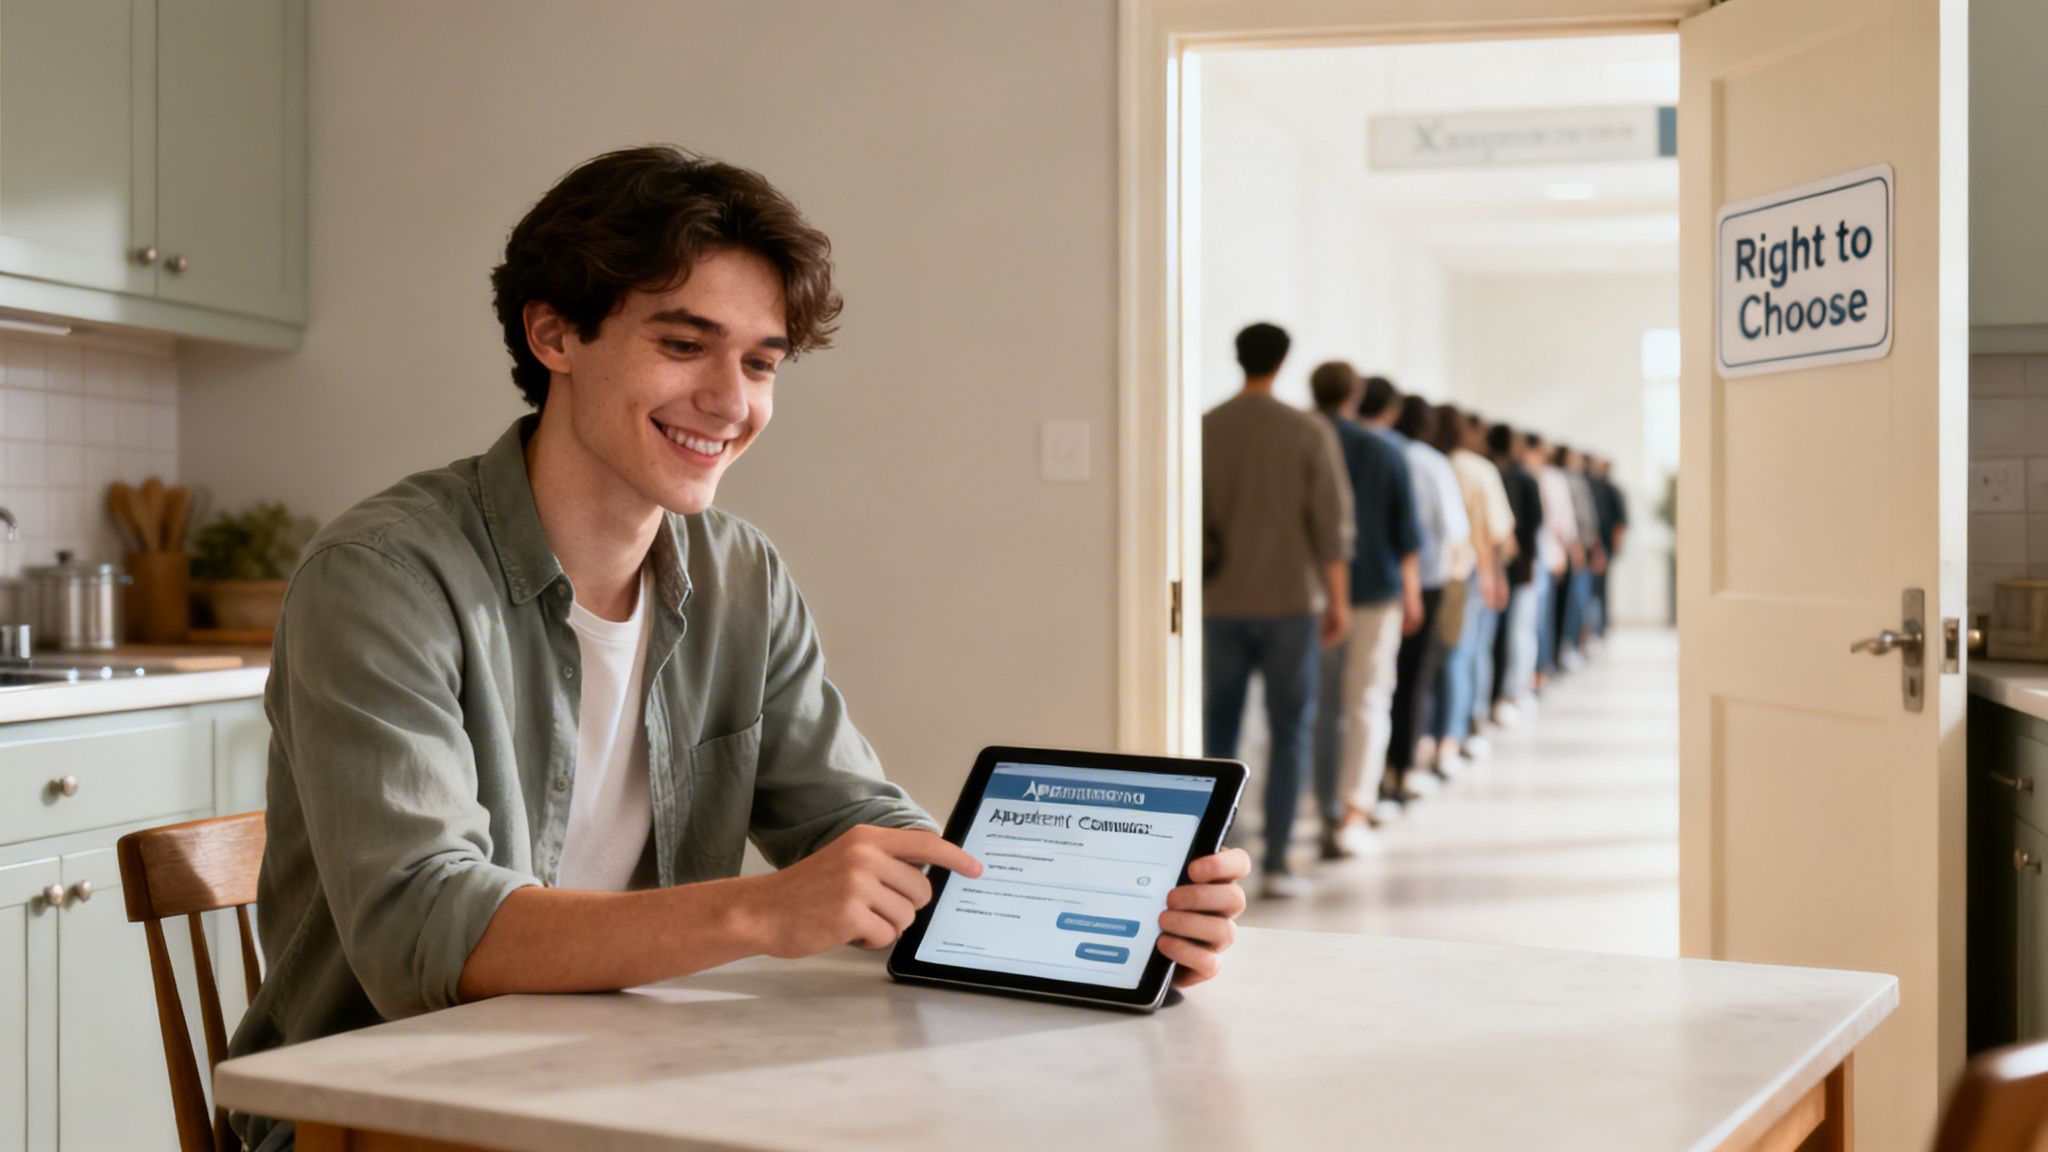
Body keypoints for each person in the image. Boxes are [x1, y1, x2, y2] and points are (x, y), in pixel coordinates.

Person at [229, 147, 1251, 1150]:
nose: (733, 402)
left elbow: (848, 821)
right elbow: (423, 929)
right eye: (684, 346)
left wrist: (1109, 924)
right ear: (554, 335)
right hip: (380, 1115)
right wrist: (762, 913)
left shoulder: (738, 575)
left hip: (622, 1086)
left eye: (760, 363)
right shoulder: (382, 575)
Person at [1203, 322, 1351, 898]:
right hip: (1292, 602)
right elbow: (1331, 528)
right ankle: (1279, 861)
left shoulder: (1208, 427)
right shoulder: (1307, 430)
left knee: (1220, 731)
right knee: (1291, 729)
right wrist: (1337, 602)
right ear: (1284, 361)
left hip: (1220, 603)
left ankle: (1214, 857)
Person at [1307, 361, 1420, 860]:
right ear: (1355, 396)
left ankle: (1318, 807)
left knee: (1316, 706)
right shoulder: (1385, 449)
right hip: (1374, 592)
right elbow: (1406, 535)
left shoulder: (1298, 440)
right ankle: (1354, 810)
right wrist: (1412, 593)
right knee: (1366, 702)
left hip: (1309, 593)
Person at [1384, 390, 1470, 796]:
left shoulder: (1380, 450)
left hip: (1377, 585)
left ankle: (1379, 769)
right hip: (1428, 581)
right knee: (1415, 678)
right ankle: (1401, 767)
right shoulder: (1431, 462)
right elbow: (1454, 529)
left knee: (1375, 685)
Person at [1489, 424, 1544, 721]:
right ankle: (1512, 692)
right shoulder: (1522, 476)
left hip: (1496, 564)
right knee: (1519, 631)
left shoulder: (1494, 472)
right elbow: (1533, 525)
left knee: (1500, 634)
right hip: (1517, 564)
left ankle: (1504, 693)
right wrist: (1530, 563)